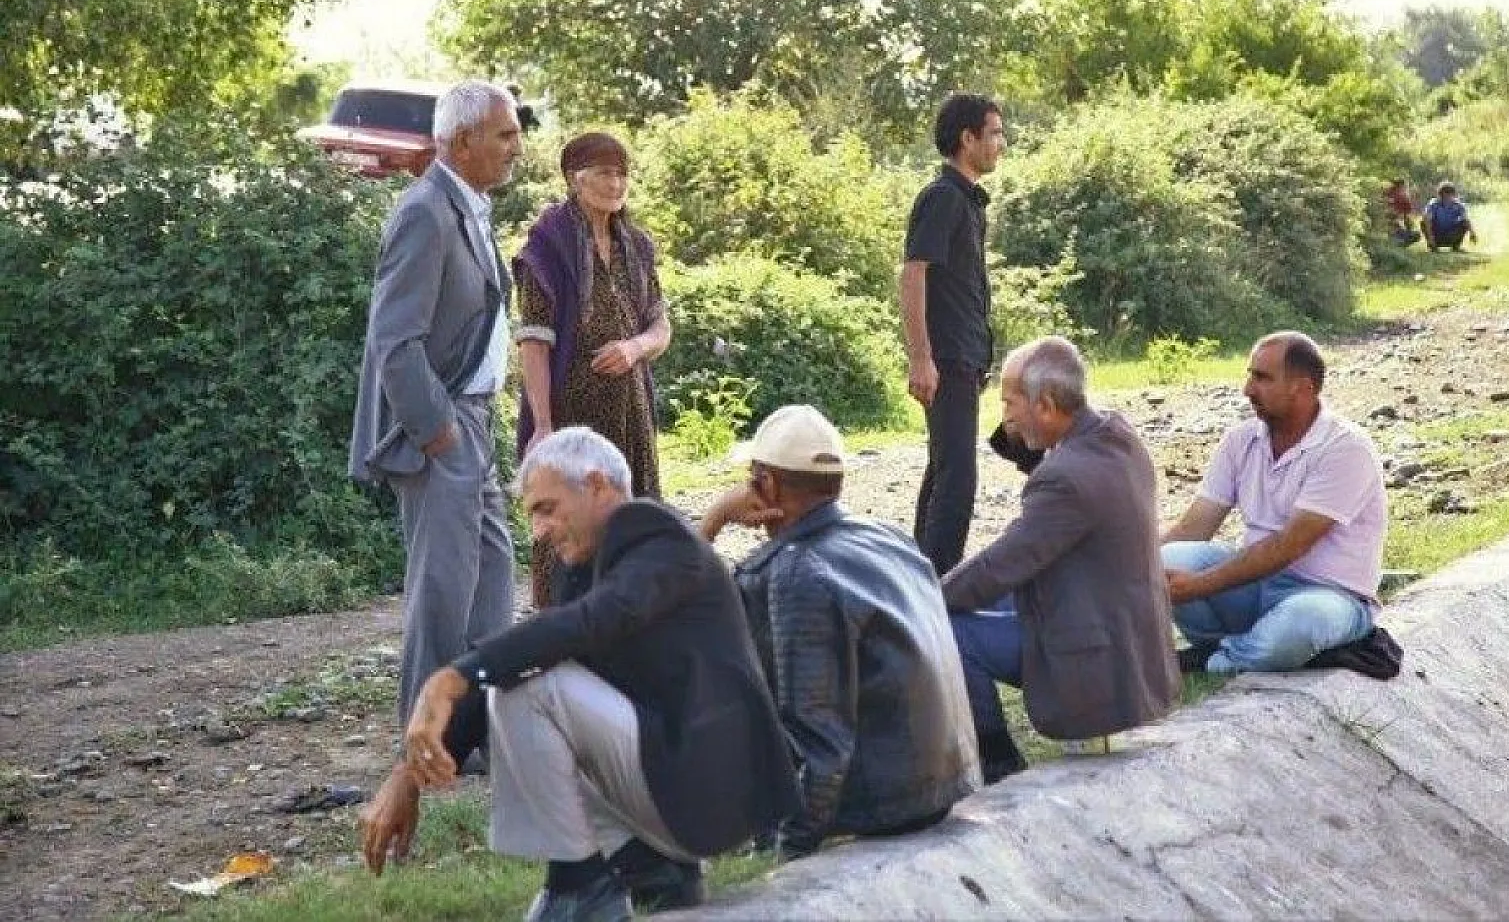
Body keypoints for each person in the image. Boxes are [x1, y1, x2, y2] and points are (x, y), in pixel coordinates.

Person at [358, 428, 802, 921]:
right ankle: (651, 871)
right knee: (524, 677)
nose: (539, 531)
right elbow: (547, 644)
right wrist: (408, 773)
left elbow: (588, 623)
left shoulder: (655, 535)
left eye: (547, 508)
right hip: (681, 785)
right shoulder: (593, 561)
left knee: (529, 689)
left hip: (713, 791)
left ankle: (580, 886)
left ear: (596, 486)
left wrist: (450, 678)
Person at [699, 405, 981, 858]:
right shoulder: (889, 536)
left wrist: (791, 856)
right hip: (946, 787)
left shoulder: (797, 571)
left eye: (753, 476)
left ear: (767, 485)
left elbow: (821, 745)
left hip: (884, 809)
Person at [349, 79, 520, 725]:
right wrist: (437, 431)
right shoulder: (425, 209)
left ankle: (471, 731)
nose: (516, 147)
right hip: (445, 428)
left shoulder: (468, 206)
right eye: (505, 134)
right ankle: (429, 742)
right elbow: (395, 340)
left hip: (474, 422)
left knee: (492, 584)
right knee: (443, 594)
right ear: (464, 139)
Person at [943, 336, 1180, 784]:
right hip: (1130, 638)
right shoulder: (1116, 433)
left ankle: (998, 766)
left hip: (1099, 664)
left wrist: (922, 597)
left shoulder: (1064, 479)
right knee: (978, 601)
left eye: (1010, 404)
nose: (1006, 418)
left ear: (1048, 404)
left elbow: (998, 568)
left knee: (948, 627)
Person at [1160, 332, 1386, 674]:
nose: (1248, 390)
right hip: (1253, 587)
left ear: (1304, 388)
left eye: (1262, 378)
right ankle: (1234, 648)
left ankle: (1215, 659)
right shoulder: (1240, 440)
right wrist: (1126, 575)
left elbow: (1289, 546)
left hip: (1328, 595)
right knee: (1167, 560)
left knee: (1302, 623)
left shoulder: (1346, 448)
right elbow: (1194, 527)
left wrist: (1198, 586)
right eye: (1250, 375)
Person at [513, 132, 671, 607]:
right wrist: (543, 426)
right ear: (574, 178)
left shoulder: (636, 248)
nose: (616, 183)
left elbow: (660, 325)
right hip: (571, 414)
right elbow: (534, 343)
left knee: (632, 515)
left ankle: (631, 619)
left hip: (631, 414)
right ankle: (561, 628)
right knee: (567, 519)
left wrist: (634, 347)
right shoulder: (546, 249)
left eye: (622, 173)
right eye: (604, 172)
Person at [900, 93, 1007, 576]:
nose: (1001, 144)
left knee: (945, 469)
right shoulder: (943, 197)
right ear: (967, 139)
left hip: (964, 357)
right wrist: (921, 358)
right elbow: (913, 274)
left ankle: (921, 577)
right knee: (958, 477)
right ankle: (940, 587)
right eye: (995, 134)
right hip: (945, 359)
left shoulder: (967, 200)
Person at [1422, 181, 1478, 252]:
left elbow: (1465, 219)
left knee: (1463, 223)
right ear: (1440, 194)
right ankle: (1433, 246)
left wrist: (1472, 232)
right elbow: (1427, 219)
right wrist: (1430, 237)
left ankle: (1456, 246)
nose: (1447, 196)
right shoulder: (1433, 204)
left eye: (1450, 193)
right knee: (1424, 222)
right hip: (1436, 234)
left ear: (1453, 194)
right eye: (1445, 193)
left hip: (1450, 234)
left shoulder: (1458, 205)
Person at [1384, 178, 1421, 246]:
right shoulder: (1403, 197)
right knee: (1417, 235)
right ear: (1402, 185)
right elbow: (1407, 220)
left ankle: (1396, 242)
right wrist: (1409, 229)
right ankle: (1400, 244)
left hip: (1383, 231)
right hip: (1394, 230)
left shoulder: (1385, 194)